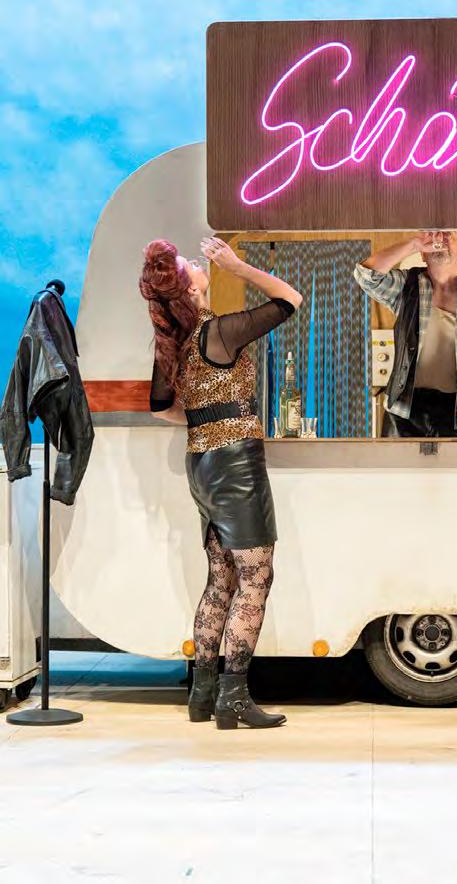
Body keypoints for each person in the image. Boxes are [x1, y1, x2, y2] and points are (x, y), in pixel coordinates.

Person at [139, 236, 302, 730]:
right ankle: (233, 699)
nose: (198, 262)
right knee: (256, 577)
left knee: (221, 579)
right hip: (235, 465)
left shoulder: (174, 344)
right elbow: (290, 299)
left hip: (203, 465)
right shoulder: (218, 333)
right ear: (190, 289)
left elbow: (160, 406)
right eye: (189, 264)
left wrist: (205, 421)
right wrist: (239, 267)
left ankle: (203, 694)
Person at [354, 230, 457, 437]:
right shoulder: (406, 286)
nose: (440, 239)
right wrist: (414, 244)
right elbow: (366, 275)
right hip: (403, 412)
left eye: (448, 235)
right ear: (423, 254)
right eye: (433, 235)